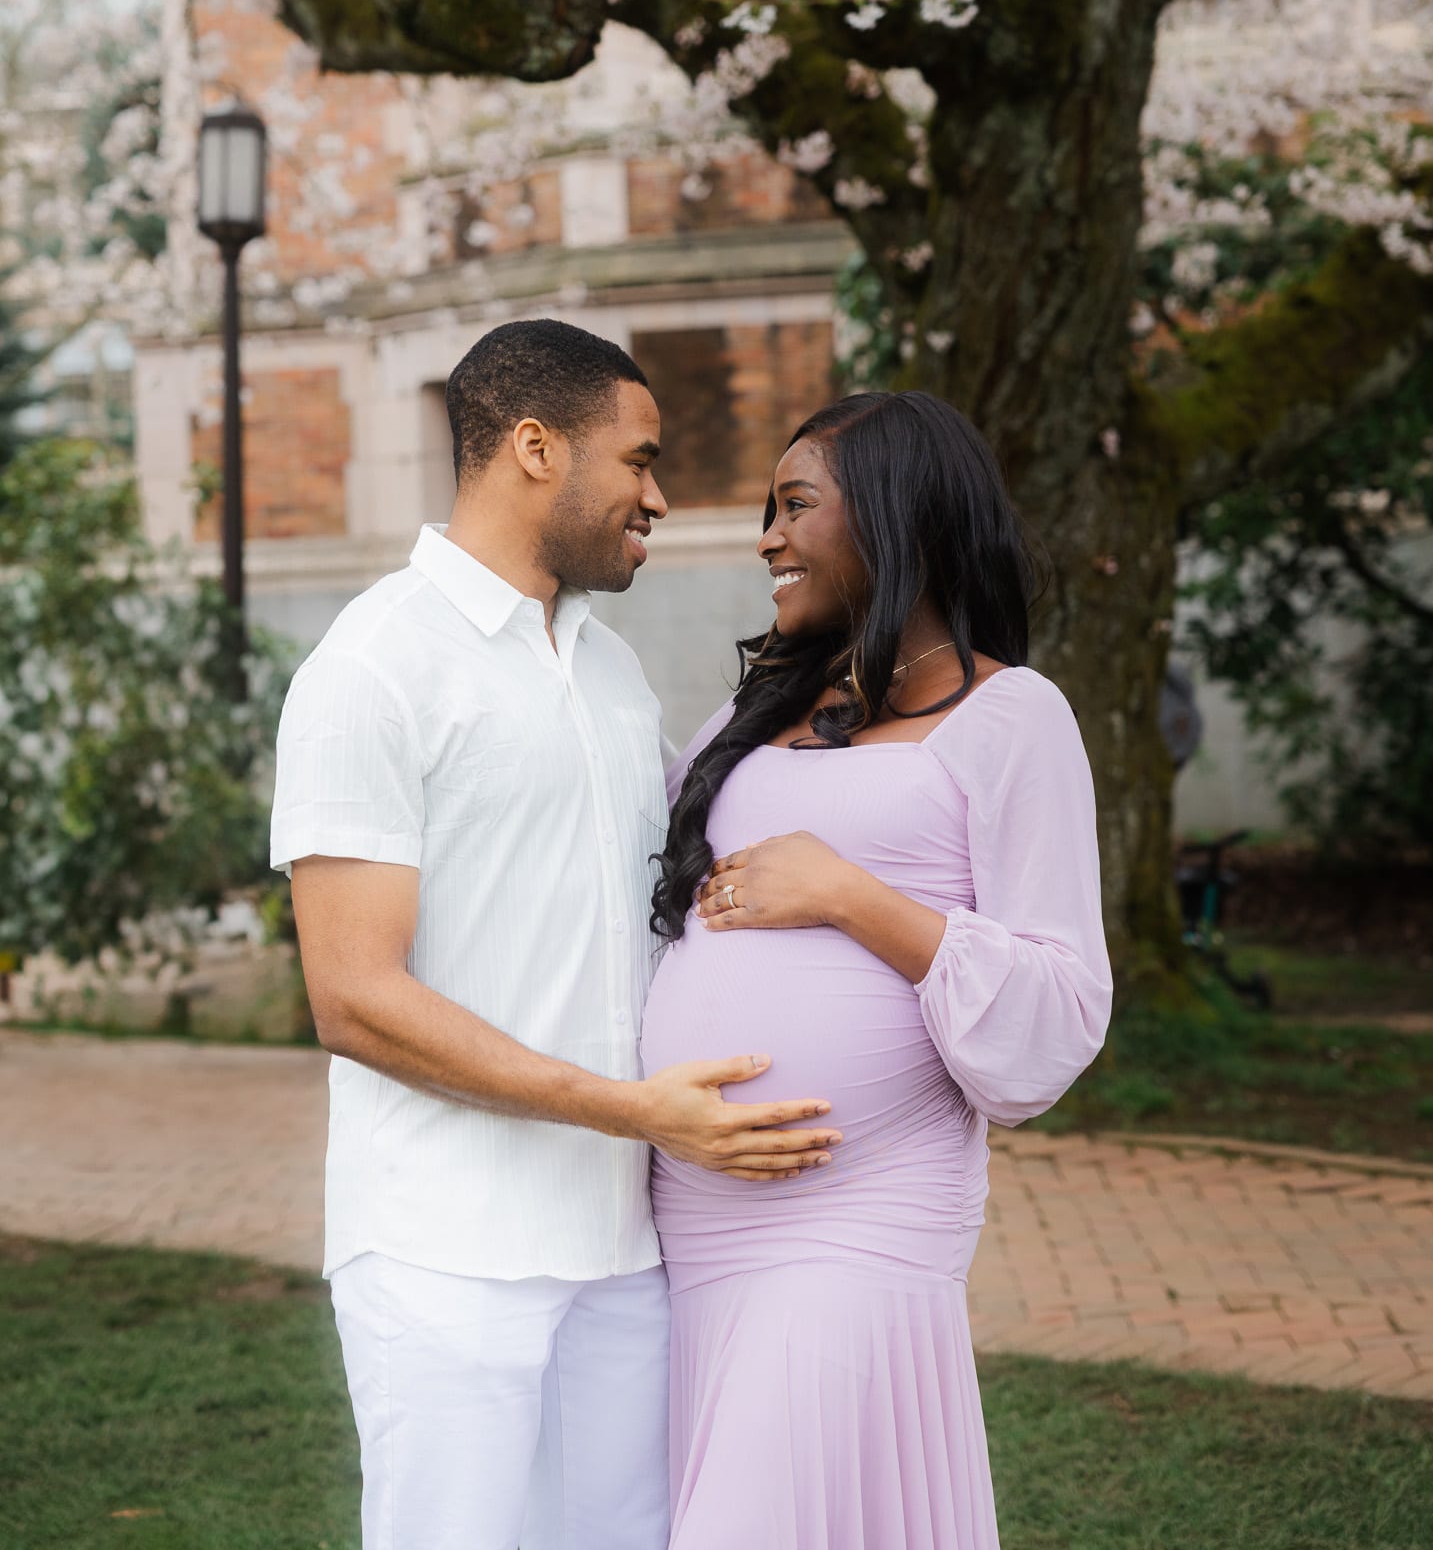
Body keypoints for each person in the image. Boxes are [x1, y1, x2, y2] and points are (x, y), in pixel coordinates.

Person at [269, 319, 841, 1550]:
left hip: (620, 1249)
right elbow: (353, 996)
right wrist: (634, 1108)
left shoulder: (612, 671)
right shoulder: (371, 666)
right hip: (443, 1252)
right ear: (535, 447)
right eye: (636, 459)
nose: (659, 495)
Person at [642, 389, 1114, 1550]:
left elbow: (1059, 1003)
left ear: (897, 514)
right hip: (691, 1226)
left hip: (857, 1215)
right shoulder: (746, 721)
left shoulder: (1013, 717)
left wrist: (849, 894)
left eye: (795, 503)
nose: (766, 534)